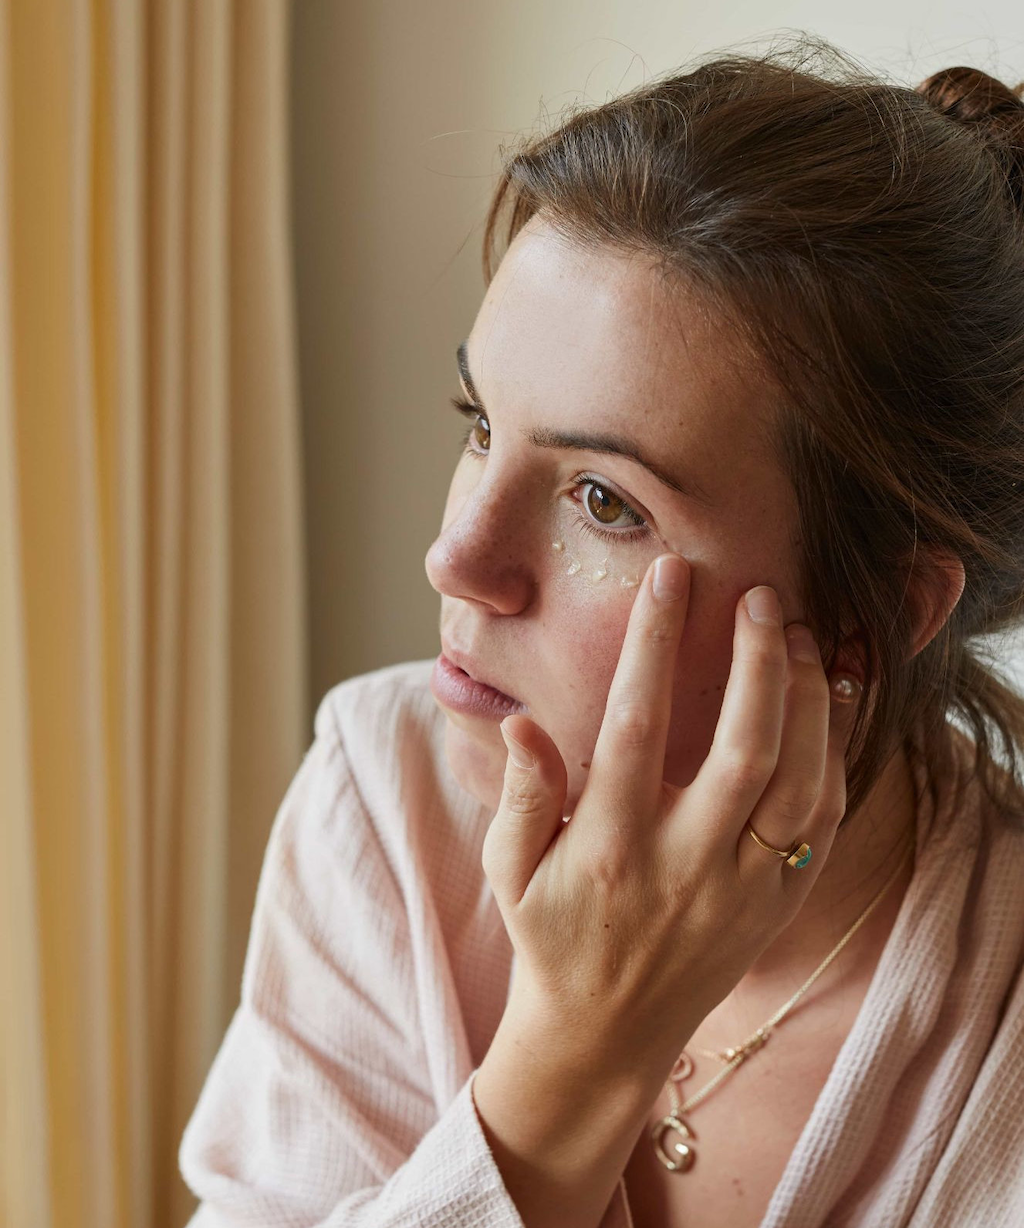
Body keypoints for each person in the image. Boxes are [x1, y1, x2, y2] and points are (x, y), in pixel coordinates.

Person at [178, 35, 1024, 1228]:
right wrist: (564, 1071)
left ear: (871, 619)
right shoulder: (388, 798)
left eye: (603, 501)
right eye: (481, 422)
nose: (456, 556)